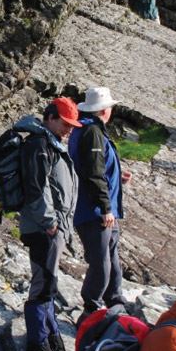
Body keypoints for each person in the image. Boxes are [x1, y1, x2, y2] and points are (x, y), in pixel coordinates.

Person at [16, 98, 81, 351]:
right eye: (65, 123)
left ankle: (52, 343)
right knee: (42, 286)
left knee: (48, 286)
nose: (68, 129)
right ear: (51, 117)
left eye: (71, 125)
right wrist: (50, 223)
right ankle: (36, 350)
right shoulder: (38, 144)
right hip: (43, 230)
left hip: (52, 228)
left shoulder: (49, 142)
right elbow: (36, 187)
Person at [69, 87, 132, 319]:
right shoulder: (92, 132)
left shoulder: (89, 130)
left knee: (111, 256)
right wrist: (105, 207)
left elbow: (97, 167)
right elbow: (94, 172)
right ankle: (91, 307)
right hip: (95, 211)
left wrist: (118, 175)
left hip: (103, 209)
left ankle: (115, 300)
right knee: (101, 260)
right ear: (105, 110)